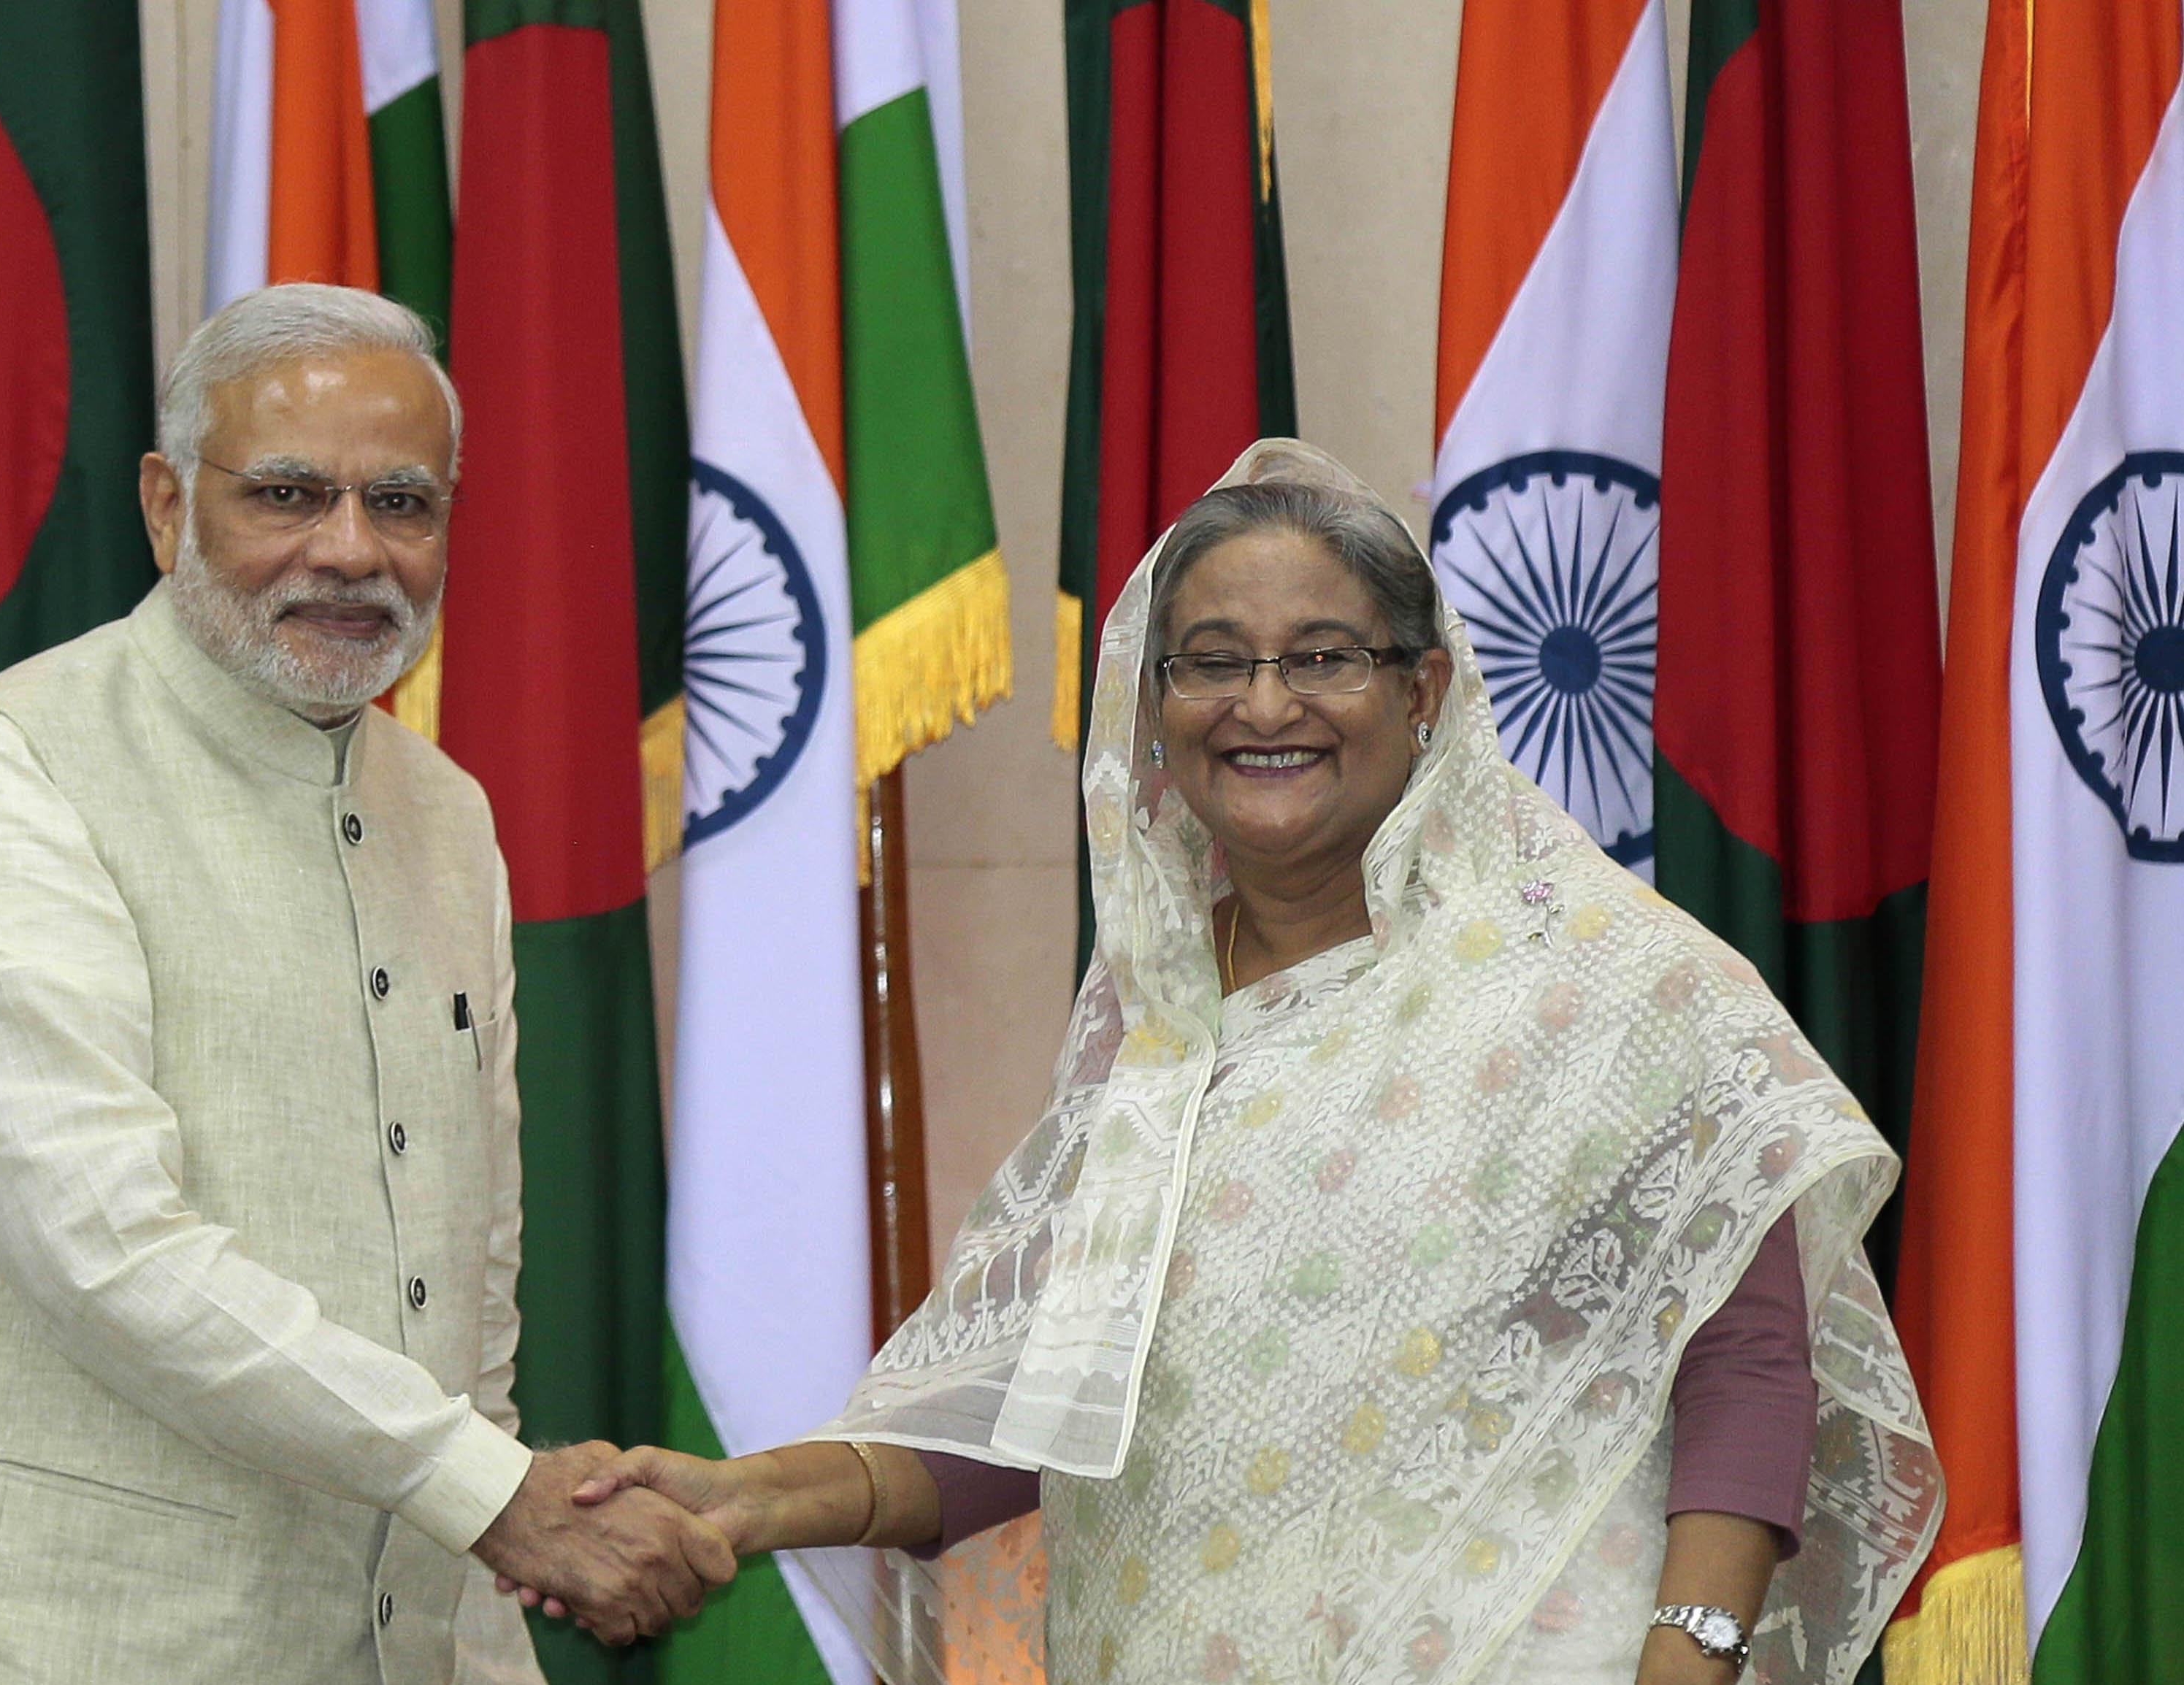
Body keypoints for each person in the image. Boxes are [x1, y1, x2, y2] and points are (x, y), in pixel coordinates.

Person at [533, 442, 1944, 1684]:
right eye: (1213, 661)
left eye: (1324, 656)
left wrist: (1690, 1660)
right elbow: (1051, 1405)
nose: (1265, 705)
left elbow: (1749, 1364)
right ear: (1155, 705)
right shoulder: (1152, 1019)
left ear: (1424, 689)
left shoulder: (1601, 975)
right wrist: (747, 1498)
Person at [0, 284, 731, 1683]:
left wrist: (484, 1612)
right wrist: (493, 1495)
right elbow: (105, 1245)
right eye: (287, 494)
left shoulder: (446, 811)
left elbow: (469, 1290)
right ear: (168, 508)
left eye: (401, 504)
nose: (351, 550)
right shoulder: (12, 774)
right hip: (26, 1640)